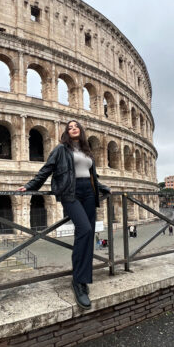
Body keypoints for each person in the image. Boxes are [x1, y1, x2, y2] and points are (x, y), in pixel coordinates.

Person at [17, 120, 111, 310]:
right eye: (70, 127)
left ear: (81, 130)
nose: (73, 128)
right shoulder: (61, 149)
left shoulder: (87, 151)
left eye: (76, 126)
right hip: (71, 192)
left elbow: (91, 175)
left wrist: (103, 188)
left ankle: (82, 280)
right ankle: (77, 282)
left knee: (87, 235)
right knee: (84, 230)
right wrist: (30, 186)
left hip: (89, 193)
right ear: (67, 132)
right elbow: (47, 169)